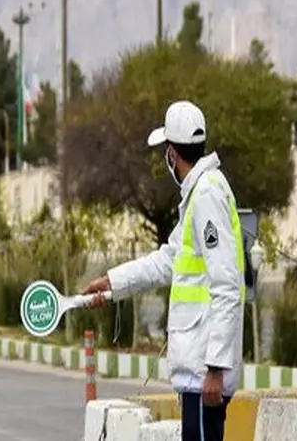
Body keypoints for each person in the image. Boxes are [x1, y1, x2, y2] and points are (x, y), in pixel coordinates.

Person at [80, 100, 245, 441]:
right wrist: (112, 282)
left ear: (171, 153)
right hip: (197, 373)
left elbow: (227, 284)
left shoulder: (207, 196)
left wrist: (215, 368)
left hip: (204, 374)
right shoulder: (198, 195)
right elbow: (166, 260)